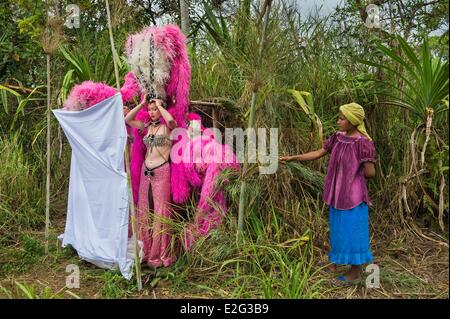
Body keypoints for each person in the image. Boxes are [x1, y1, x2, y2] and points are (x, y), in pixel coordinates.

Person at [280, 103, 376, 285]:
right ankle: (347, 266)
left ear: (353, 121)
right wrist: (294, 158)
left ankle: (355, 273)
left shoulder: (363, 143)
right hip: (338, 194)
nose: (338, 121)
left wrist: (350, 172)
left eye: (342, 118)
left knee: (353, 232)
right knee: (341, 230)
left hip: (354, 197)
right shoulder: (338, 138)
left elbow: (371, 172)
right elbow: (319, 152)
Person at [125, 94, 177, 268]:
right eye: (151, 109)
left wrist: (161, 106)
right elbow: (128, 119)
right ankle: (146, 250)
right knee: (145, 209)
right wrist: (141, 104)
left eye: (155, 109)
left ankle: (160, 253)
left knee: (161, 211)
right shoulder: (147, 127)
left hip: (162, 171)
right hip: (145, 172)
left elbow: (171, 121)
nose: (152, 112)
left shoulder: (167, 128)